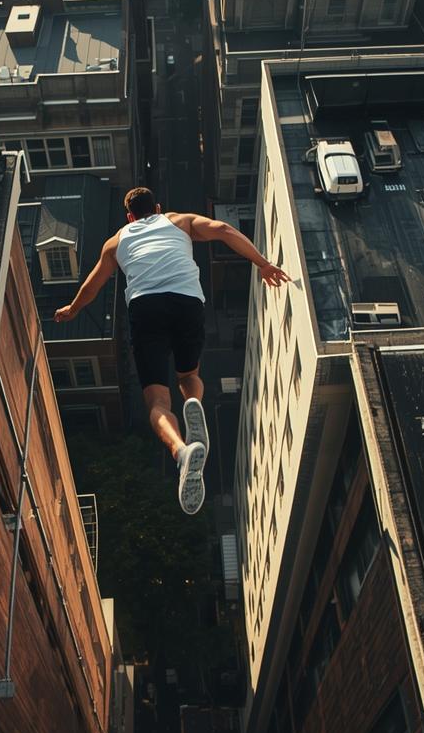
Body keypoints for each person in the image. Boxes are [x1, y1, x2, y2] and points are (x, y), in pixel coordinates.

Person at [55, 186, 288, 514]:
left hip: (145, 308)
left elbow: (92, 286)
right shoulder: (179, 221)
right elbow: (223, 229)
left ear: (129, 217)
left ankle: (181, 452)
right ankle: (193, 402)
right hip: (186, 301)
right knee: (188, 374)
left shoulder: (117, 241)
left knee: (156, 400)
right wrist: (262, 264)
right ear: (159, 208)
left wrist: (72, 311)